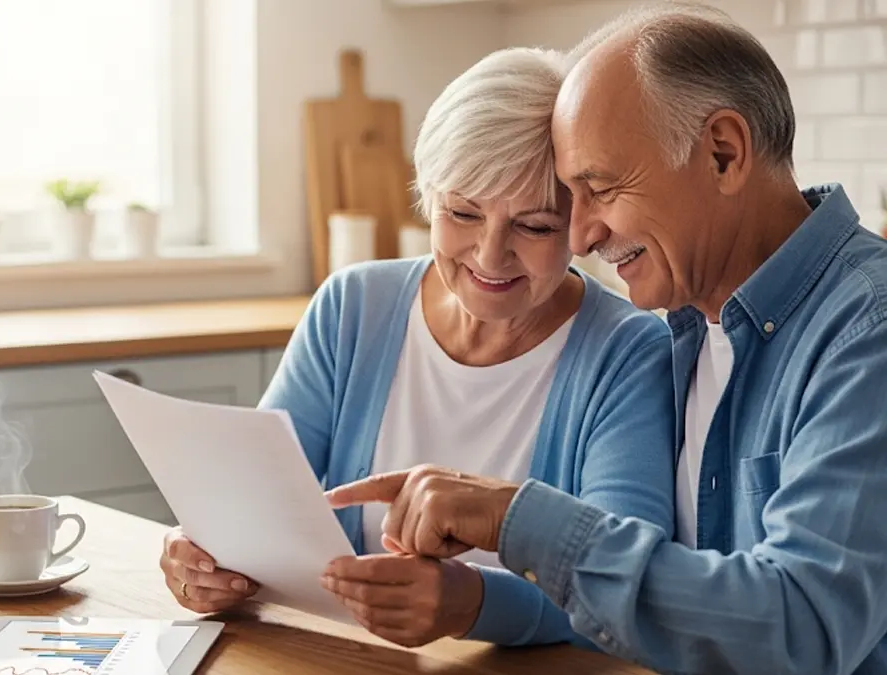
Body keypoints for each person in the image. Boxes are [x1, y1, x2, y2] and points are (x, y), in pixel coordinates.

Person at [327, 3, 887, 674]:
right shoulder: (686, 332)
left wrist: (514, 519)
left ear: (723, 153)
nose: (583, 235)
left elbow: (801, 627)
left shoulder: (866, 331)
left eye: (600, 189)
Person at [158, 46, 676, 650]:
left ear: (584, 225)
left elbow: (632, 590)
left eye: (534, 226)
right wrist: (203, 555)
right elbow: (250, 503)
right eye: (461, 213)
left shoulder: (630, 352)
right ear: (429, 198)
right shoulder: (355, 306)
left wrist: (472, 603)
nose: (489, 256)